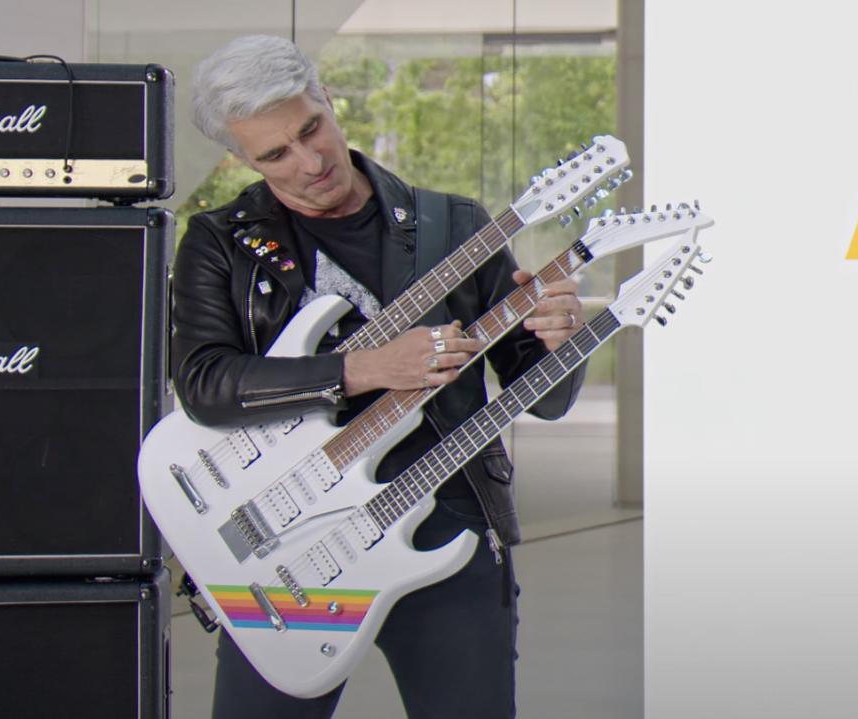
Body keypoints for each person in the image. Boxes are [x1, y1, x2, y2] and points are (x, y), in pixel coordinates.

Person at [172, 34, 587, 719]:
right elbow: (205, 383)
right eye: (275, 154)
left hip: (443, 527)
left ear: (329, 101)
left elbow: (540, 395)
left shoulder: (453, 225)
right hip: (289, 538)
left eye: (312, 129)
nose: (310, 162)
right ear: (240, 158)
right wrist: (361, 368)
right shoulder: (219, 242)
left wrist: (558, 340)